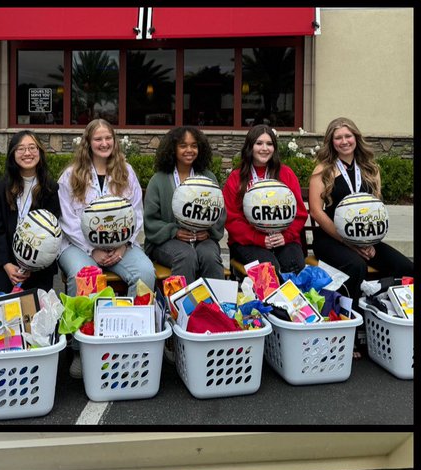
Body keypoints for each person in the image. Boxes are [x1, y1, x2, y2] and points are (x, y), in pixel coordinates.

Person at [56, 118, 157, 378]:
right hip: (79, 246)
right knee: (85, 277)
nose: (104, 143)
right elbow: (67, 220)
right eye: (98, 139)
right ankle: (80, 349)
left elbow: (136, 213)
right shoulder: (71, 175)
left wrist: (123, 247)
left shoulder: (126, 171)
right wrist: (93, 251)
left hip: (121, 244)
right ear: (88, 143)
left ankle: (131, 340)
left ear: (114, 141)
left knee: (145, 273)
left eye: (108, 138)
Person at [308, 117, 412, 323]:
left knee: (405, 268)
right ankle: (350, 326)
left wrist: (370, 242)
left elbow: (376, 211)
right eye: (338, 137)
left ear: (356, 138)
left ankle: (376, 305)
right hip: (331, 240)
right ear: (331, 141)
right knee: (357, 266)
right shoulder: (323, 170)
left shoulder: (370, 170)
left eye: (348, 136)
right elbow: (316, 212)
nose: (344, 141)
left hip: (365, 240)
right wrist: (348, 242)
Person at [0, 130, 62, 294]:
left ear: (39, 152)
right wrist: (7, 265)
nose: (27, 153)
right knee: (0, 303)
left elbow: (51, 232)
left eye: (32, 148)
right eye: (21, 149)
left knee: (36, 307)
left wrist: (31, 265)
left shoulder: (50, 189)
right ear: (12, 154)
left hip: (39, 262)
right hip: (2, 259)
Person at [222, 125, 308, 277]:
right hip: (248, 242)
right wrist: (259, 239)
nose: (264, 148)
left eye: (269, 144)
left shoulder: (286, 174)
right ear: (250, 146)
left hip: (283, 239)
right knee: (269, 269)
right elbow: (231, 218)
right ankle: (268, 302)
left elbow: (299, 213)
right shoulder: (237, 177)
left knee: (295, 265)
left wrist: (285, 236)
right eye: (259, 143)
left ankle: (295, 301)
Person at [143, 126, 226, 281]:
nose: (189, 150)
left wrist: (209, 232)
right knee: (186, 255)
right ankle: (180, 305)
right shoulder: (159, 180)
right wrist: (174, 231)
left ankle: (217, 304)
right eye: (183, 145)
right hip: (167, 242)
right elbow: (150, 221)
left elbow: (219, 213)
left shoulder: (208, 178)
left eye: (194, 146)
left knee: (209, 256)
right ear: (172, 149)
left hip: (203, 239)